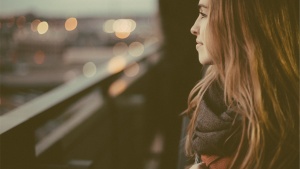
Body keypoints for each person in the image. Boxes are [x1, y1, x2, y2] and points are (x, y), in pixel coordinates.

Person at [184, 0, 299, 168]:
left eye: (203, 14)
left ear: (242, 21)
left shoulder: (281, 124)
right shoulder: (207, 96)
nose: (193, 28)